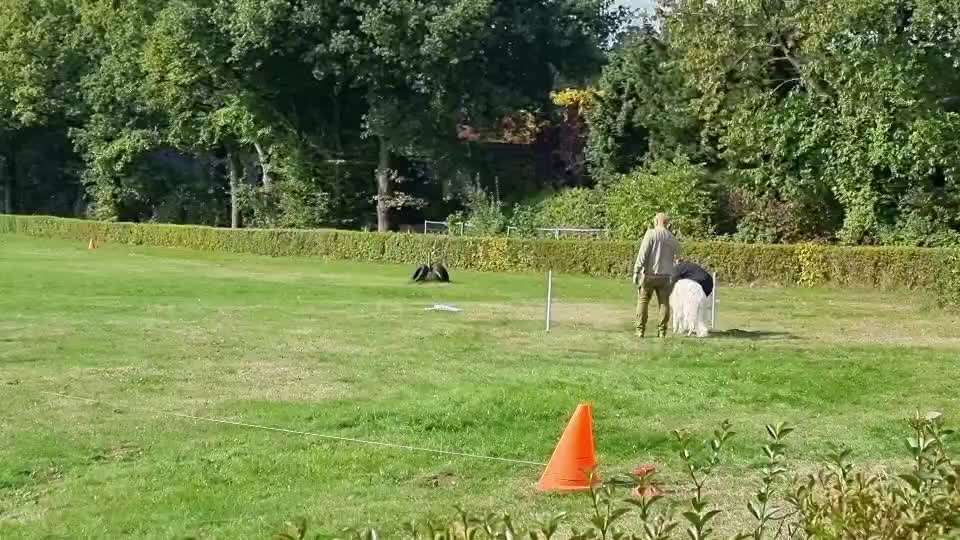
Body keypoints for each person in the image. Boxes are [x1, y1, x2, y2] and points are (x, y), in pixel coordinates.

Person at [633, 213, 681, 338]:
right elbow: (678, 258)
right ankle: (662, 331)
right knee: (664, 303)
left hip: (649, 274)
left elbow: (643, 254)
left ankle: (640, 330)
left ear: (656, 221)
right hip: (666, 276)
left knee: (643, 300)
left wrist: (636, 270)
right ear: (667, 223)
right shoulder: (672, 238)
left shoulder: (651, 234)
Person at [670, 260, 713, 337]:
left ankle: (691, 328)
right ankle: (694, 327)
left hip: (699, 282)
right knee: (699, 309)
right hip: (709, 283)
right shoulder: (684, 266)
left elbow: (671, 283)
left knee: (691, 309)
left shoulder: (676, 269)